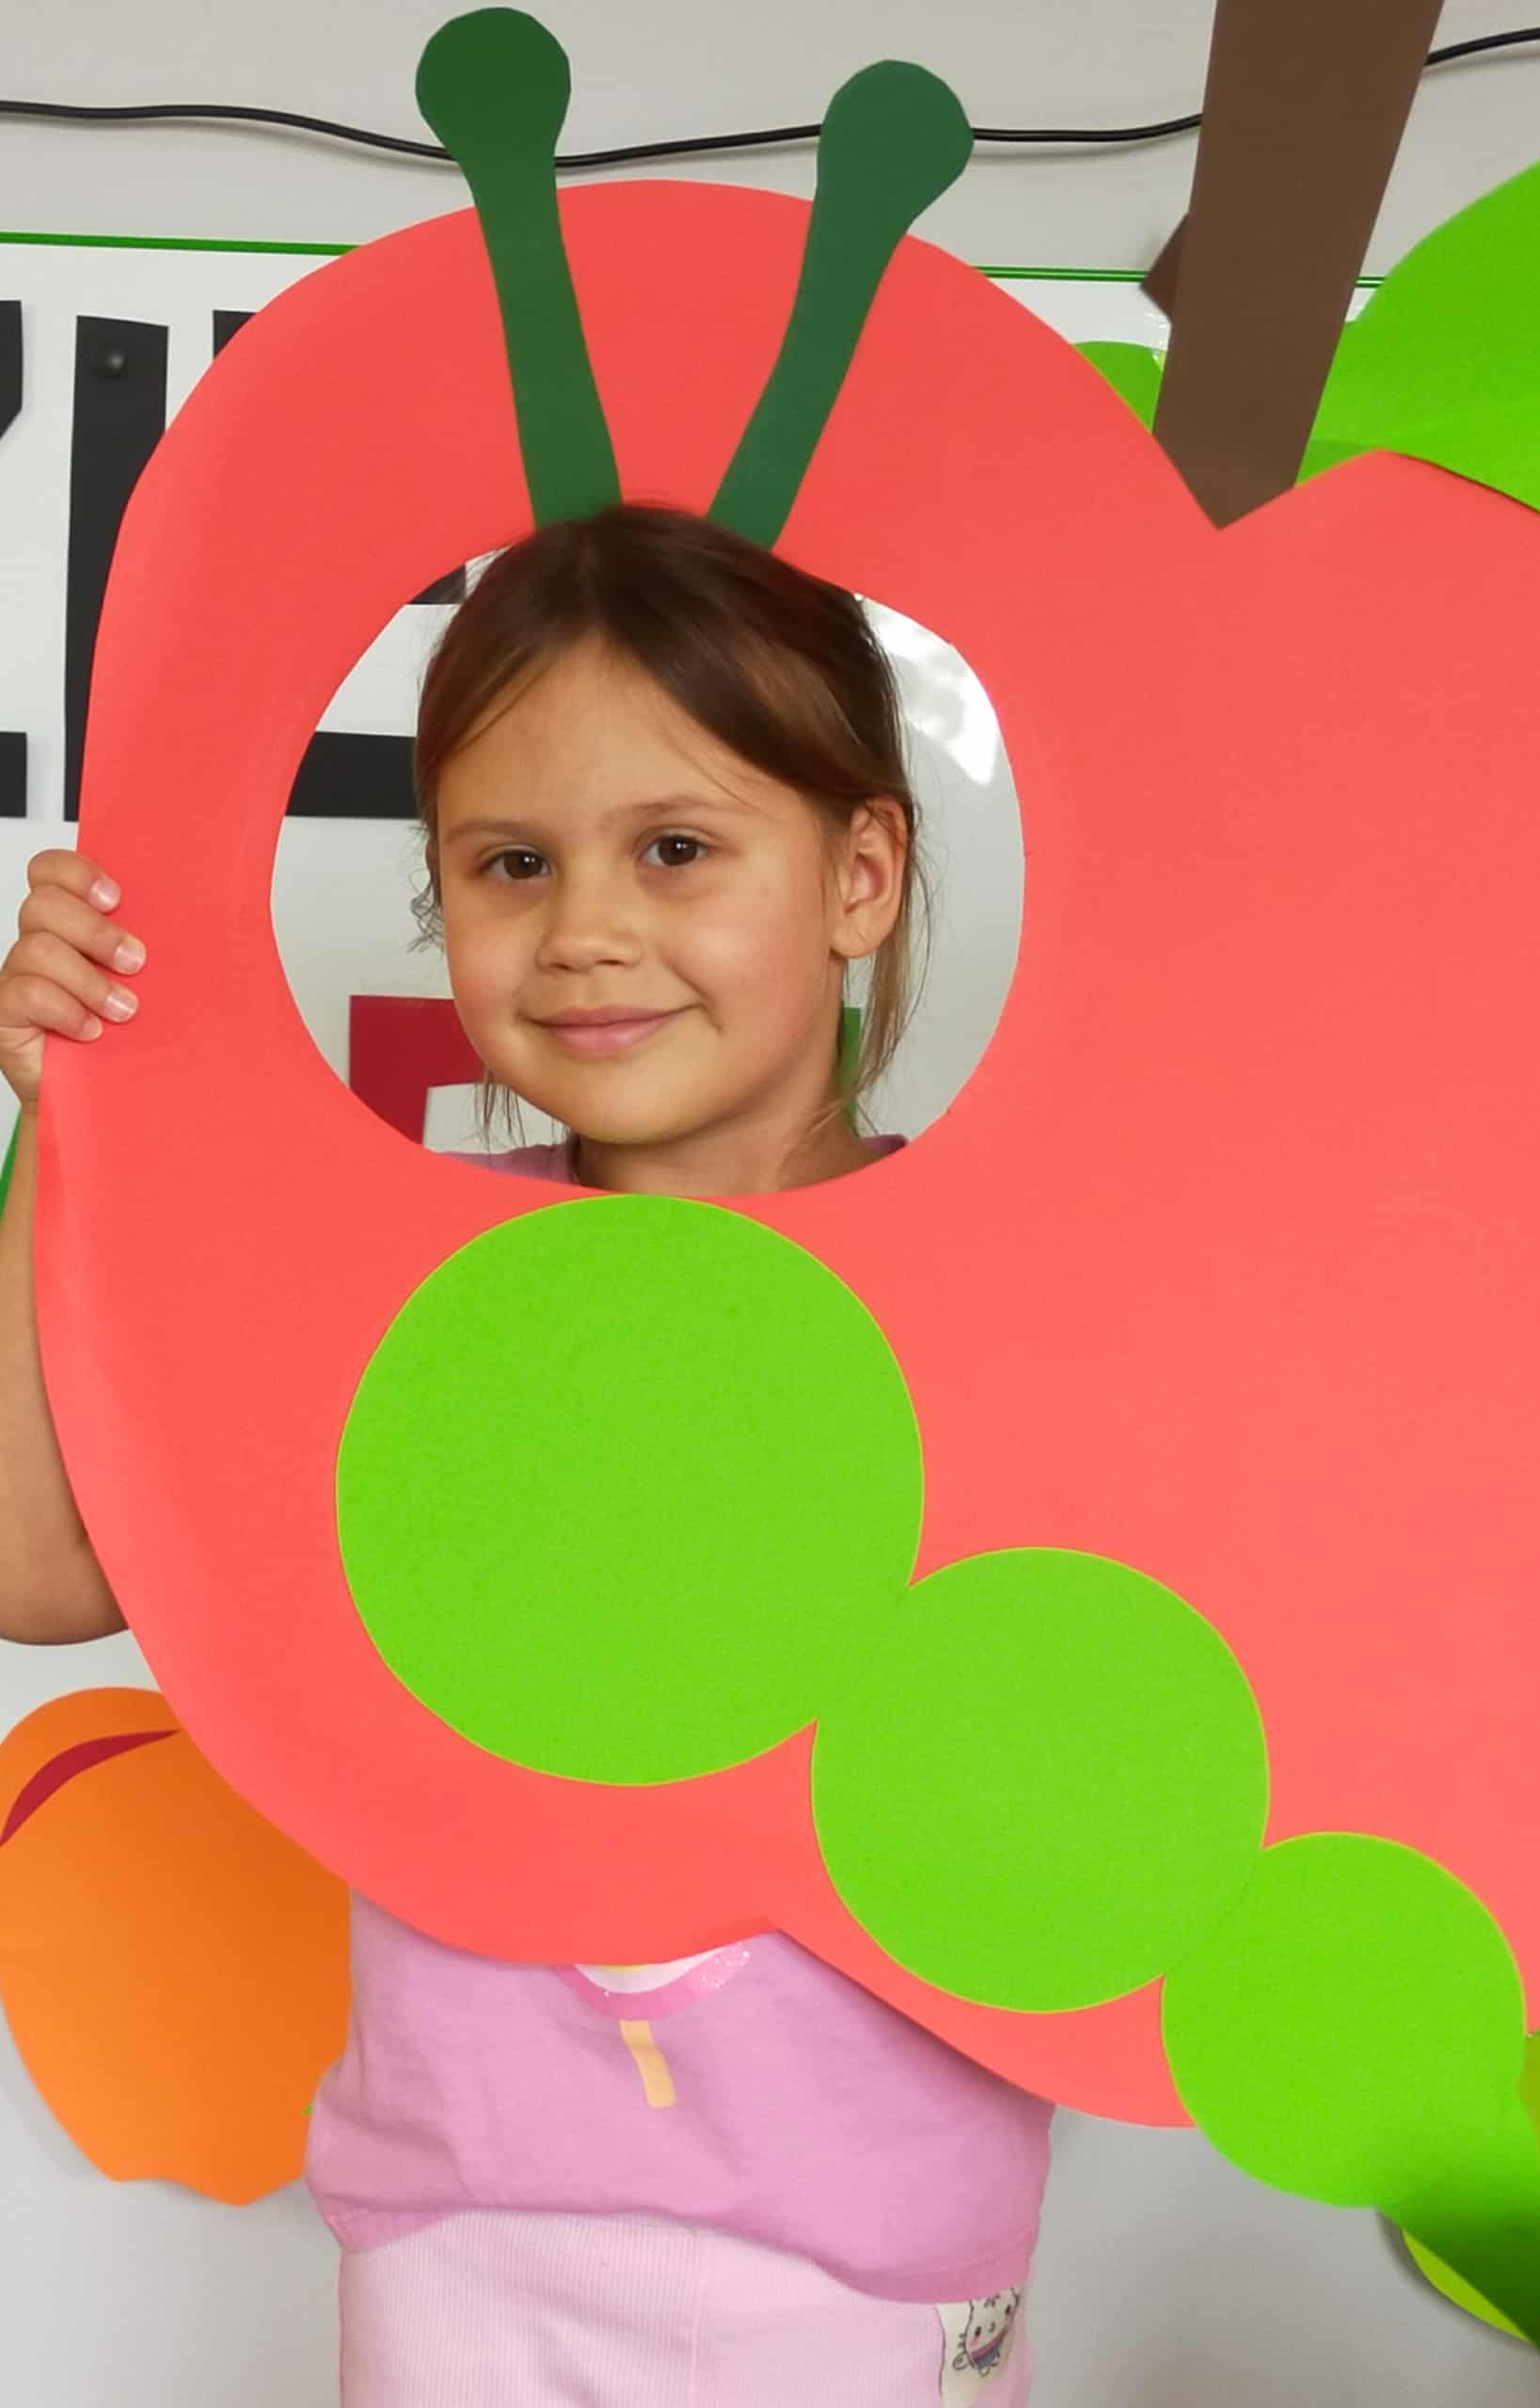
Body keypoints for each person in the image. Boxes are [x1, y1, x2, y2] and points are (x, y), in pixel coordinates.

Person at [0, 504, 1049, 2407]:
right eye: (508, 862)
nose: (583, 931)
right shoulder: (390, 1299)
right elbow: (35, 1564)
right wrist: (71, 1124)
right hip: (459, 2241)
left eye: (675, 848)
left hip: (871, 2259)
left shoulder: (1015, 1308)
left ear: (861, 872)